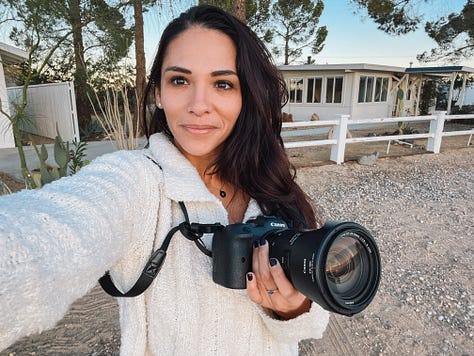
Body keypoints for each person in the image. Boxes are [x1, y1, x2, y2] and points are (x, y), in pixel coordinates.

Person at [0, 5, 329, 355]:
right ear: (158, 92)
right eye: (180, 80)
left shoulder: (269, 185)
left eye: (222, 84)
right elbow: (49, 233)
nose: (199, 104)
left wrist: (291, 307)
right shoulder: (136, 182)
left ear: (244, 94)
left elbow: (313, 322)